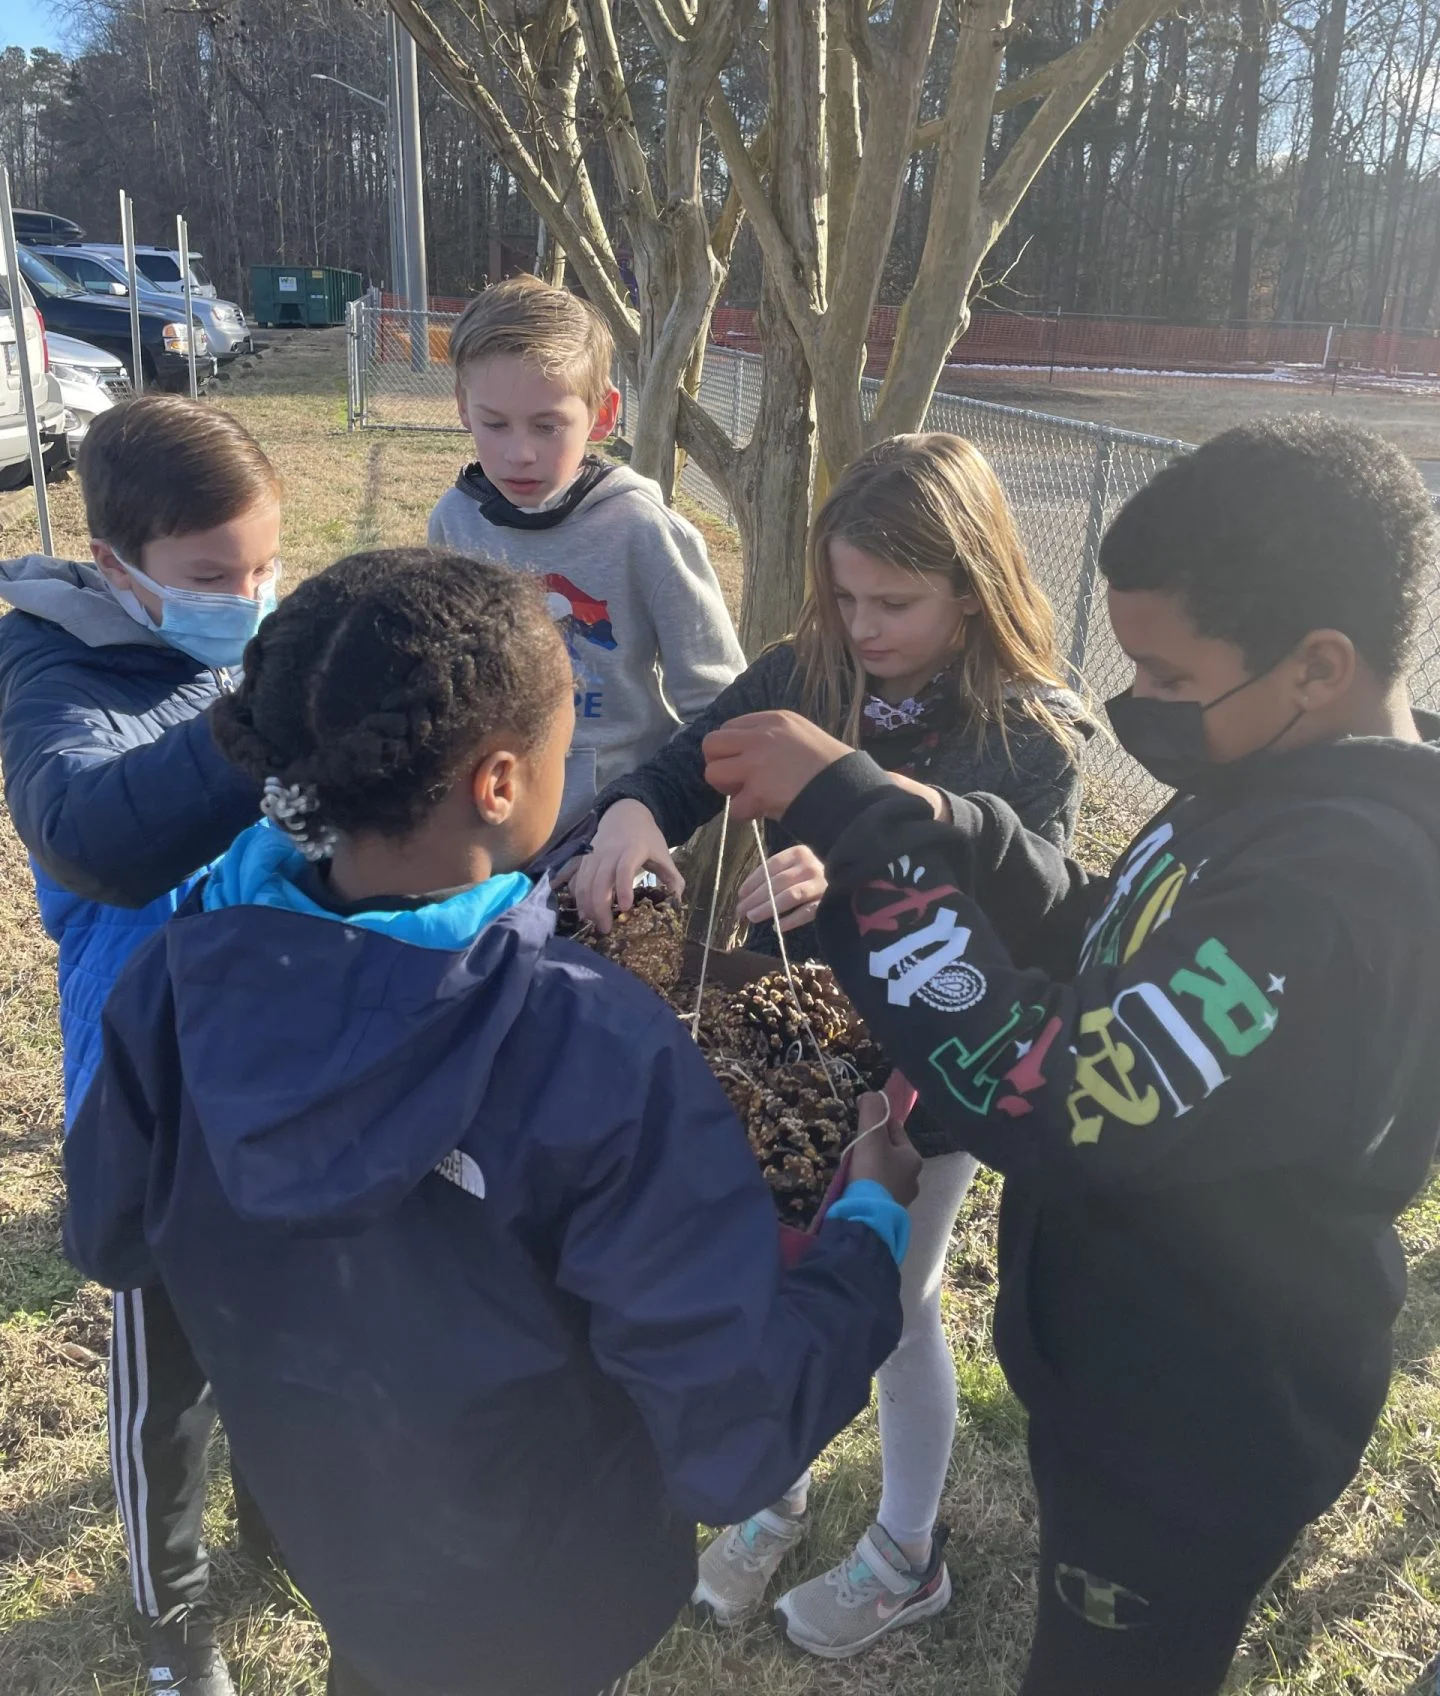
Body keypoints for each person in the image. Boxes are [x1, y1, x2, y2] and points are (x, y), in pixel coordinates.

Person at [61, 547, 921, 1696]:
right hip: (550, 1597)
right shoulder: (593, 1047)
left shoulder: (170, 986)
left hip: (340, 1544)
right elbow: (734, 1440)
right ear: (502, 782)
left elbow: (112, 1234)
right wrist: (868, 1228)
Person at [701, 414, 1440, 1696]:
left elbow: (1055, 1088)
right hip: (1128, 1368)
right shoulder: (1267, 784)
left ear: (1317, 666)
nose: (1132, 702)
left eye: (1166, 676)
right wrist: (952, 825)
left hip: (1199, 1415)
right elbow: (1111, 938)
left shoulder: (1334, 898)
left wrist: (868, 843)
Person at [573, 430, 1092, 1656]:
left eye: (894, 603)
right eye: (845, 596)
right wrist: (634, 812)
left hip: (928, 1082)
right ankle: (777, 1490)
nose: (862, 628)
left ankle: (908, 1553)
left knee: (899, 1303)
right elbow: (685, 764)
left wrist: (862, 864)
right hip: (789, 1053)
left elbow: (1040, 917)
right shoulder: (803, 674)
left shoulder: (1031, 734)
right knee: (773, 1269)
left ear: (972, 585)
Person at [0, 394, 281, 1696]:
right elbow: (94, 834)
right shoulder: (55, 673)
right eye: (213, 577)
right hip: (150, 1092)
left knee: (283, 1330)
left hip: (281, 1071)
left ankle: (283, 1529)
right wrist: (256, 727)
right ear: (118, 565)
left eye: (266, 567)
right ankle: (176, 1623)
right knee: (168, 1381)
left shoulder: (254, 642)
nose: (248, 598)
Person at [428, 274, 743, 837]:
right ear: (462, 407)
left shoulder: (646, 532)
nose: (519, 453)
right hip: (487, 835)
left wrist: (649, 812)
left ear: (602, 414)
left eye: (547, 426)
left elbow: (720, 706)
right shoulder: (453, 523)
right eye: (494, 424)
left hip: (617, 834)